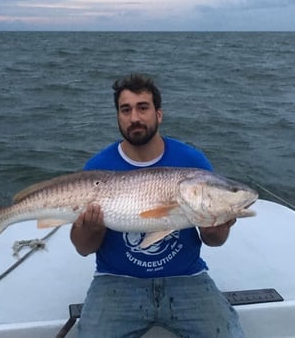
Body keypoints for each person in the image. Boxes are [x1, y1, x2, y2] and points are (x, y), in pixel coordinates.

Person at [70, 73, 244, 338]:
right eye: (125, 110)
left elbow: (215, 241)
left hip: (186, 278)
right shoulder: (96, 168)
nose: (135, 118)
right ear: (118, 116)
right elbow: (83, 248)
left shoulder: (192, 161)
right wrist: (91, 228)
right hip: (116, 281)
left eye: (143, 108)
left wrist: (216, 224)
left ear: (158, 114)